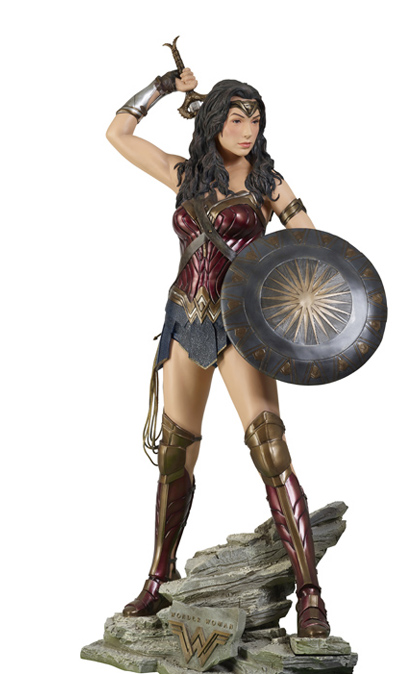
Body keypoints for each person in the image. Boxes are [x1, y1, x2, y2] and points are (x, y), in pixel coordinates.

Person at [106, 66, 330, 638]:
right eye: (235, 119)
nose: (247, 130)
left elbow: (310, 247)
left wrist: (302, 307)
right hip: (186, 318)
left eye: (255, 120)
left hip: (241, 325)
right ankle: (160, 577)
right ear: (213, 122)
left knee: (270, 448)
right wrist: (164, 86)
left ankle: (310, 596)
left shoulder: (268, 183)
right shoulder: (185, 176)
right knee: (175, 455)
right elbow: (118, 133)